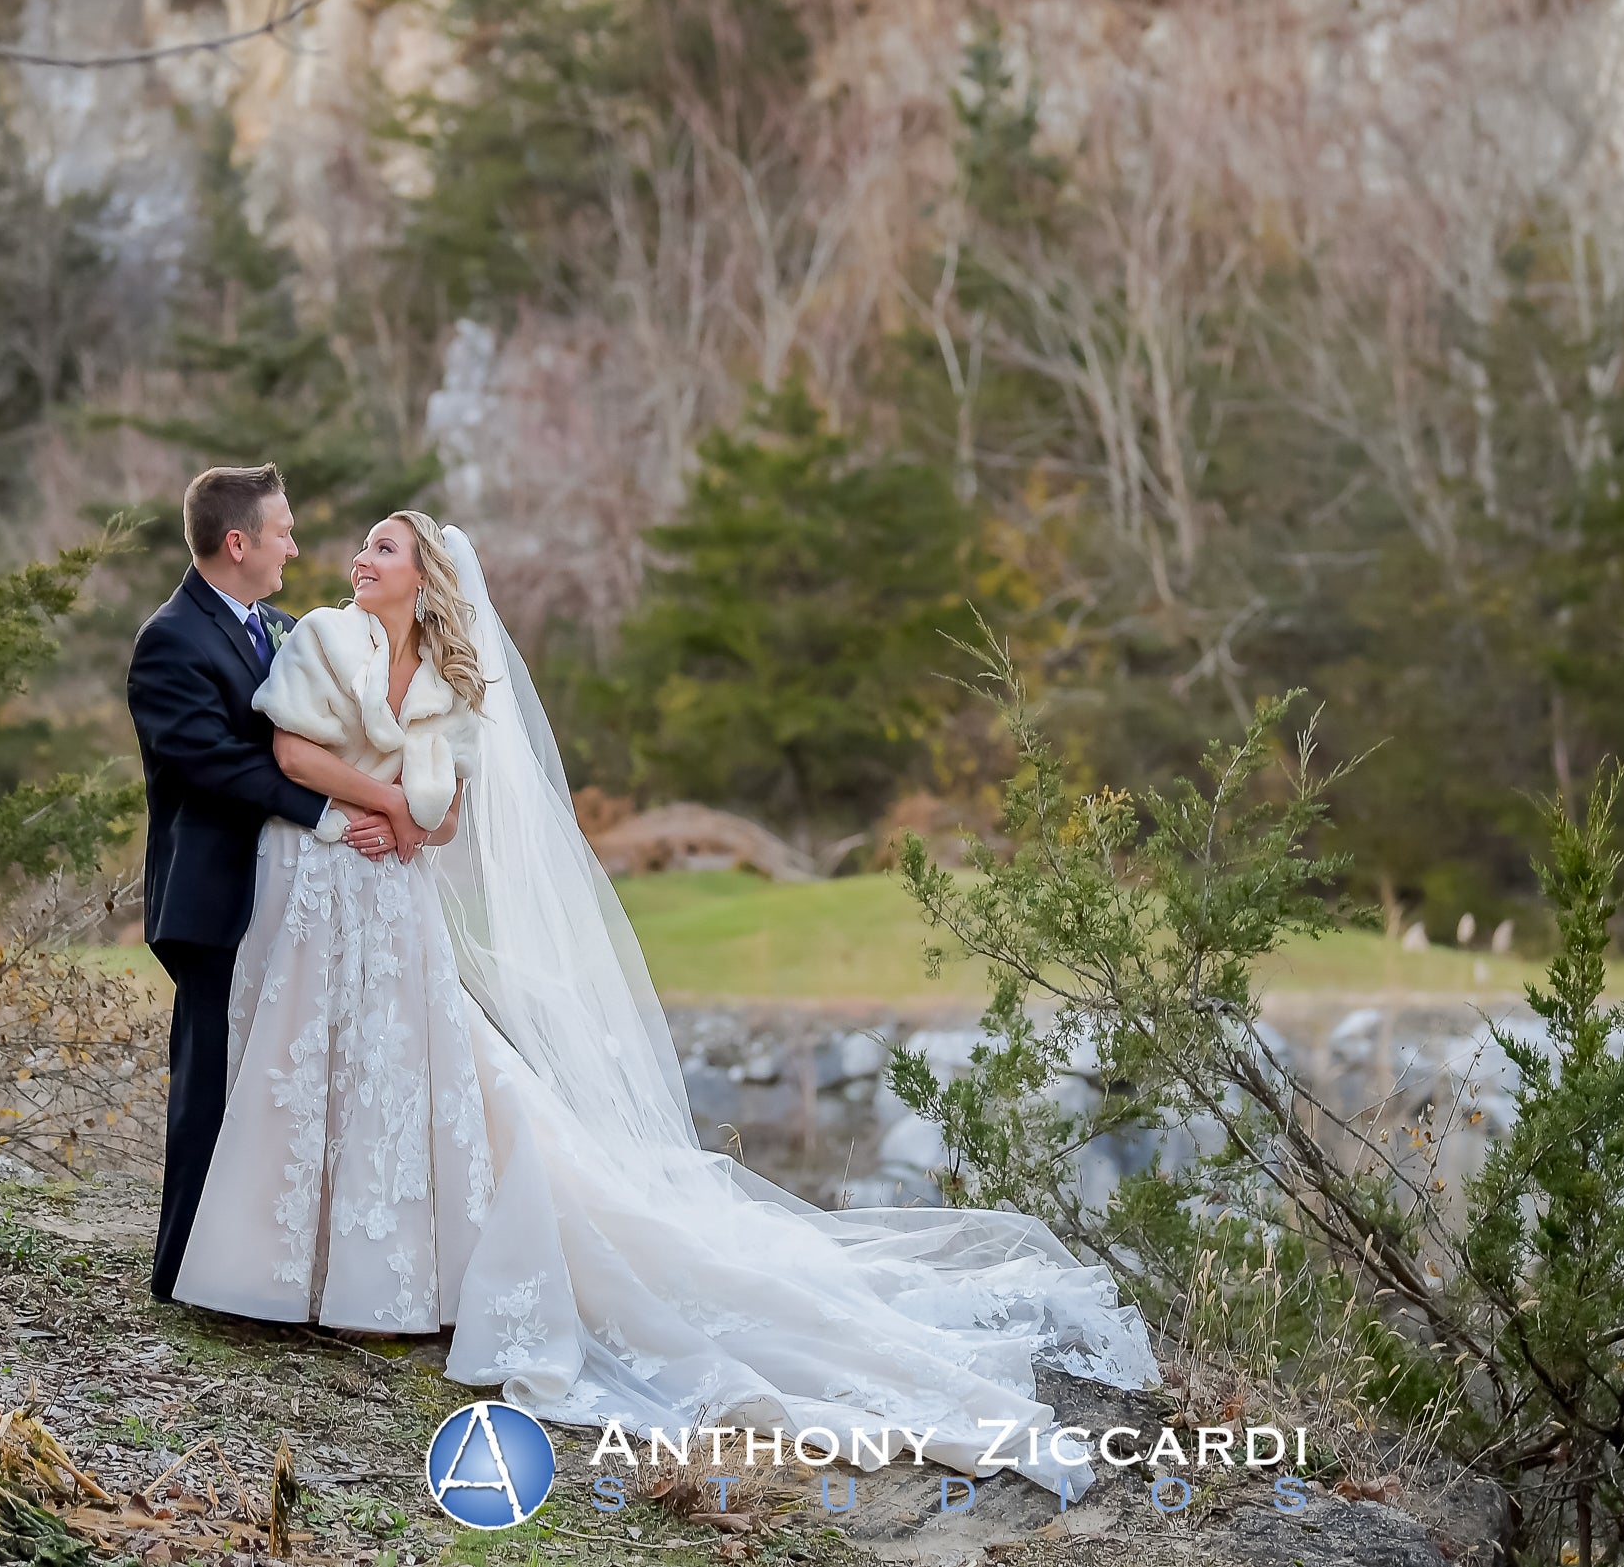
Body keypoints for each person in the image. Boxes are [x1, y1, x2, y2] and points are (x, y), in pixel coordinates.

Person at [173, 508, 1160, 1501]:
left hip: (394, 901)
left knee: (394, 1082)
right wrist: (384, 804)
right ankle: (272, 1274)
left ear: (425, 581)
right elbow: (296, 760)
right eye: (364, 546)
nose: (357, 556)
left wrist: (406, 820)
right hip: (313, 888)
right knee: (309, 1074)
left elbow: (448, 818)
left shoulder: (450, 686)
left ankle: (377, 1289)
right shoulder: (322, 639)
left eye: (383, 548)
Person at [123, 465, 397, 1302]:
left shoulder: (275, 627)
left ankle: (265, 1269)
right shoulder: (170, 639)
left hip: (293, 896)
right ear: (236, 542)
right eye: (282, 531)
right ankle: (183, 1272)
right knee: (210, 1080)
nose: (295, 545)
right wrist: (329, 810)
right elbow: (209, 761)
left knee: (270, 1081)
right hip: (211, 896)